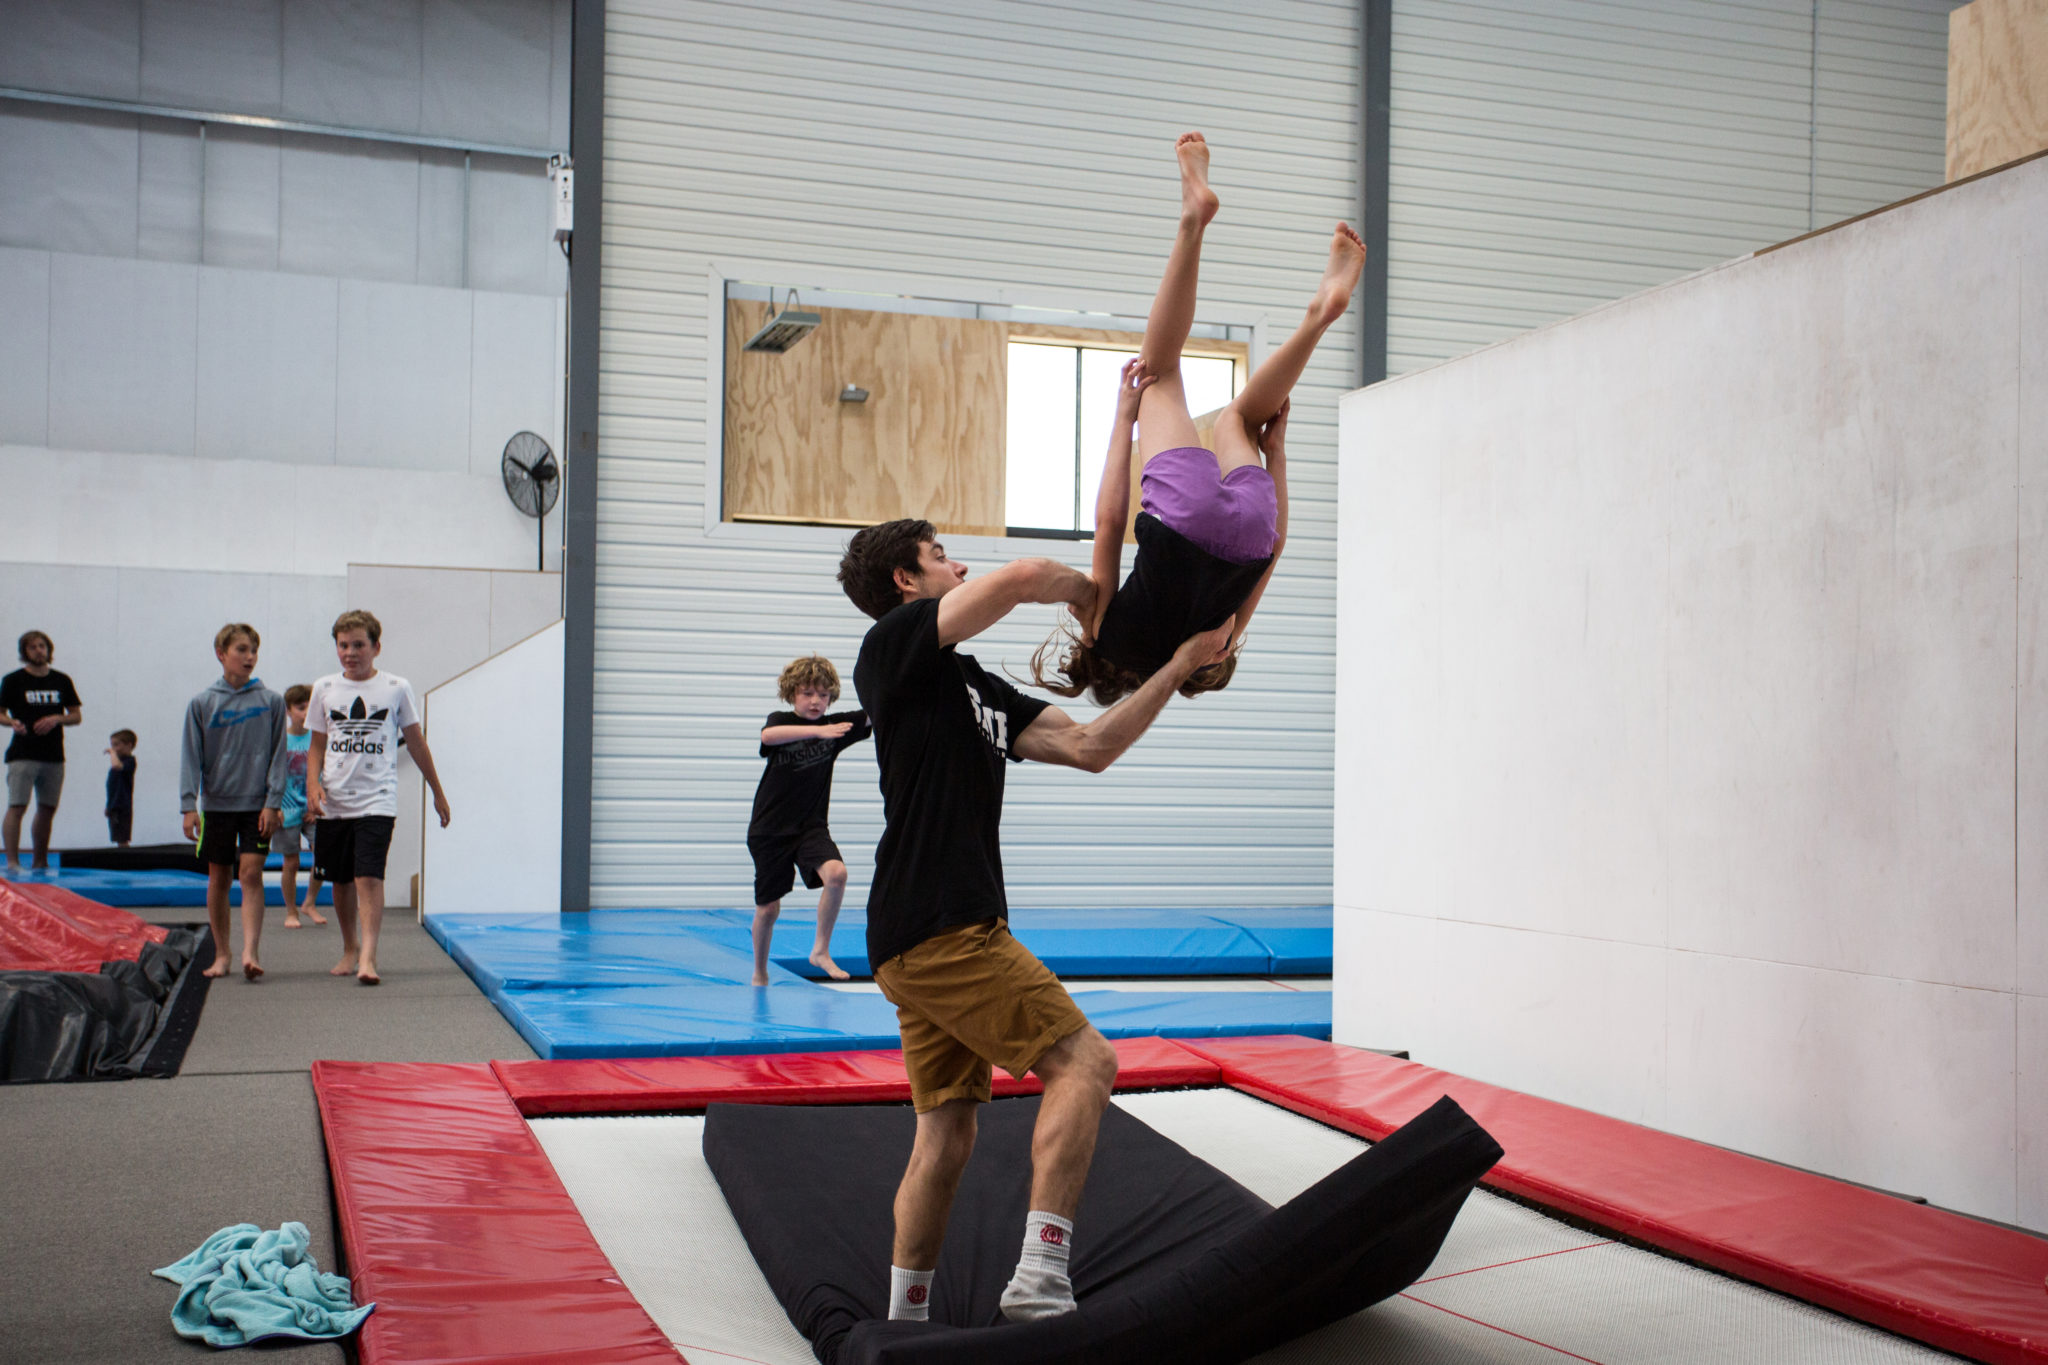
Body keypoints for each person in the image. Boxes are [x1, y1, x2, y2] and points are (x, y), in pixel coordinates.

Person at [837, 518, 1233, 1324]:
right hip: (943, 926)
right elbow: (1019, 577)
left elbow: (1091, 745)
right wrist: (1096, 595)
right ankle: (1040, 1280)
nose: (959, 563)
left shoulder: (973, 684)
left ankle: (904, 1321)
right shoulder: (891, 649)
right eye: (941, 555)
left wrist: (1178, 662)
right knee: (1085, 1063)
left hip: (918, 934)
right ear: (906, 584)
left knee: (946, 1135)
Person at [1034, 131, 1364, 704]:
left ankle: (1319, 315)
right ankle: (1193, 219)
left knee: (1241, 418)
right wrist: (1124, 418)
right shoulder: (1101, 632)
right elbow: (1111, 522)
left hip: (1251, 531)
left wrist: (1277, 454)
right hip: (1183, 520)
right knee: (1159, 370)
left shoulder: (1218, 644)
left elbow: (1277, 547)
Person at [307, 610, 450, 986]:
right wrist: (312, 785)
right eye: (343, 645)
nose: (350, 652)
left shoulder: (395, 687)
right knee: (339, 880)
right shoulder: (323, 688)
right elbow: (316, 746)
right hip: (335, 798)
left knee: (368, 875)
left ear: (376, 647)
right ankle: (350, 946)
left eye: (358, 645)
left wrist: (436, 790)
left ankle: (369, 955)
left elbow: (416, 742)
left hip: (378, 798)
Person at [748, 655, 871, 986]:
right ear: (792, 694)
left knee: (837, 875)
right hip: (769, 830)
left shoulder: (837, 727)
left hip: (810, 827)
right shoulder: (781, 720)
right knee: (768, 910)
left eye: (823, 695)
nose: (816, 701)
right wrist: (820, 732)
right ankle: (759, 972)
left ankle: (820, 950)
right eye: (807, 693)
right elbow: (767, 737)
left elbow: (879, 712)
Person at [180, 624, 289, 980]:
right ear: (221, 653)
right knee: (219, 877)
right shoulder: (202, 702)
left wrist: (273, 801)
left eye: (254, 650)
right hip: (216, 806)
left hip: (257, 805)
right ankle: (222, 953)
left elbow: (278, 755)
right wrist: (188, 806)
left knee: (251, 872)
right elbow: (191, 757)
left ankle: (250, 951)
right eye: (241, 650)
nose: (249, 657)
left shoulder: (271, 701)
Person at [3, 630, 82, 873]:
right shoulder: (13, 680)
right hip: (23, 753)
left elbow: (76, 715)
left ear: (48, 649)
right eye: (33, 647)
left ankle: (40, 860)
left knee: (47, 808)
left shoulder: (61, 680)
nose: (39, 651)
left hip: (53, 755)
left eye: (42, 646)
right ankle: (13, 861)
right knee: (18, 806)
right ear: (24, 653)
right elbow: (1, 712)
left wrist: (57, 718)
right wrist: (11, 723)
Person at [278, 685, 327, 929]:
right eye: (300, 708)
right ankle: (291, 911)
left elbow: (325, 773)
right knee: (291, 862)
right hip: (286, 810)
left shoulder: (317, 737)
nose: (305, 712)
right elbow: (273, 775)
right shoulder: (281, 740)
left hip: (312, 807)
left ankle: (309, 902)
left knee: (323, 856)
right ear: (288, 711)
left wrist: (316, 802)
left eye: (309, 706)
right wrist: (273, 805)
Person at [104, 729, 137, 846]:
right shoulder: (116, 765)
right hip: (114, 805)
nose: (113, 748)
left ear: (129, 745)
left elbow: (117, 765)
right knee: (117, 836)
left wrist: (112, 753)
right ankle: (122, 856)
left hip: (123, 806)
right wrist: (108, 805)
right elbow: (111, 787)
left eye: (116, 745)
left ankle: (125, 859)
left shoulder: (130, 761)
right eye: (112, 745)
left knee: (122, 837)